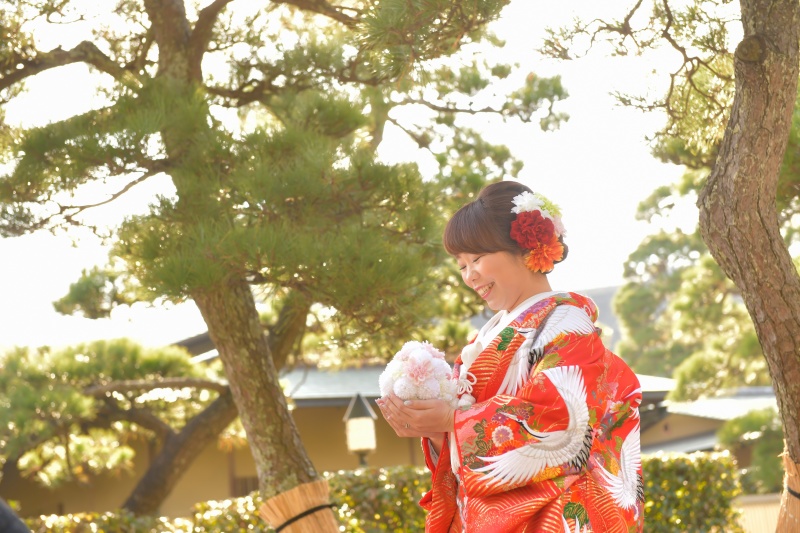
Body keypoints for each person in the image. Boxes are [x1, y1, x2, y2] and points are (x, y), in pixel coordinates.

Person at [377, 180, 644, 532]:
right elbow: (463, 448)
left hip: (556, 516)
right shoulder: (487, 338)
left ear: (524, 249)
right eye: (460, 265)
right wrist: (431, 425)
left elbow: (561, 423)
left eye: (477, 258)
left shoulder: (566, 323)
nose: (469, 275)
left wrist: (451, 423)